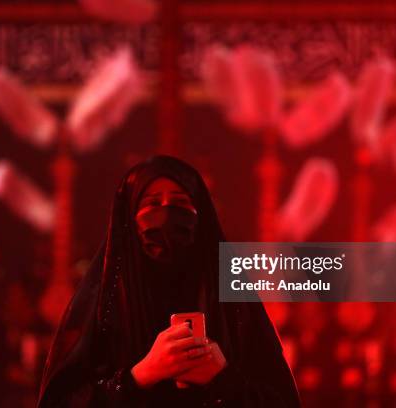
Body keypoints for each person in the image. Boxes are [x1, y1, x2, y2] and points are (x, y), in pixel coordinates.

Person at [38, 155, 300, 407]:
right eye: (151, 204)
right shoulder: (106, 304)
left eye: (179, 202)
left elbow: (280, 400)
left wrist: (222, 378)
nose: (166, 214)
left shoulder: (234, 304)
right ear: (129, 219)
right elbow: (61, 402)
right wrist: (139, 376)